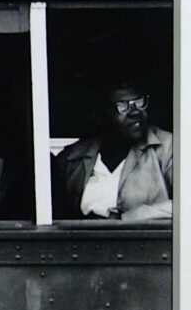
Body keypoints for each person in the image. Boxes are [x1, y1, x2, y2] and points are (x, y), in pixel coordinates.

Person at [52, 80, 171, 221]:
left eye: (139, 102)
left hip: (146, 241)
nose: (135, 112)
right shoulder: (72, 159)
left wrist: (137, 215)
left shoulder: (167, 147)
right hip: (87, 241)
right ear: (100, 116)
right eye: (122, 106)